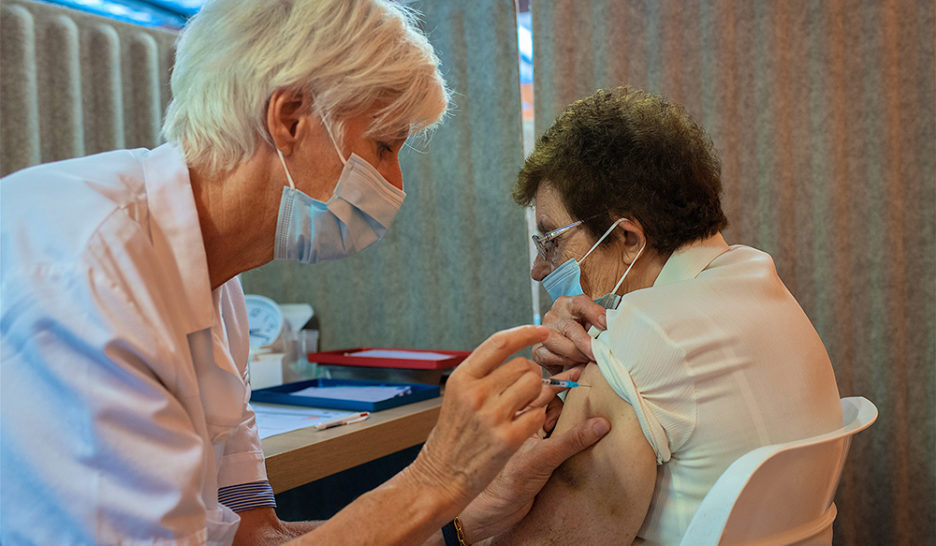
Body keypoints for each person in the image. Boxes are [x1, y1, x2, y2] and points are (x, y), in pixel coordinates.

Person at [0, 1, 610, 544]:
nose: (397, 185)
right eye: (384, 147)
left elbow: (258, 536)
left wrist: (461, 522)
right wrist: (439, 477)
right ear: (289, 118)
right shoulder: (88, 277)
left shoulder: (215, 283)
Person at [492, 87, 842, 544]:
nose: (539, 269)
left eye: (551, 241)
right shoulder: (757, 276)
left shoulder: (638, 338)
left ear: (629, 240)